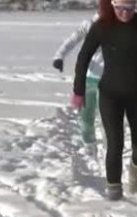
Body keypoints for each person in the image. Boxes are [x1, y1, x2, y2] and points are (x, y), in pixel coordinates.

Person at [72, 0, 137, 201]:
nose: (125, 13)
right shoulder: (102, 26)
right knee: (115, 143)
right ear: (113, 5)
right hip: (110, 94)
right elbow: (83, 58)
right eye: (120, 9)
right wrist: (79, 91)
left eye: (130, 9)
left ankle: (135, 171)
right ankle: (114, 193)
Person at [53, 12, 104, 146]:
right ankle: (89, 145)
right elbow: (72, 40)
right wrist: (59, 56)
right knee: (86, 117)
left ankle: (111, 151)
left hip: (108, 82)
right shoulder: (88, 25)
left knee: (108, 118)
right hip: (88, 79)